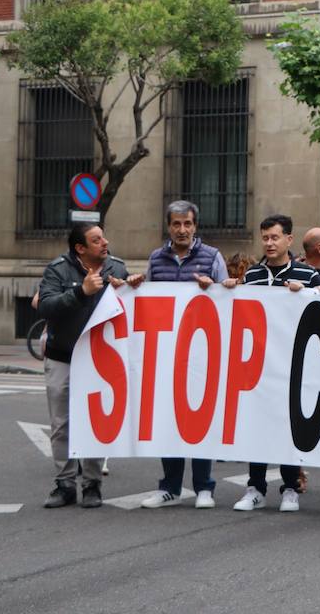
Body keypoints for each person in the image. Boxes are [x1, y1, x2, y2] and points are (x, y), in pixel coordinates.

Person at [224, 215, 320, 512]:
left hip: (293, 363)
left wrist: (304, 294)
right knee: (258, 424)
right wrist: (228, 290)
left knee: (289, 426)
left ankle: (290, 487)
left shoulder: (307, 274)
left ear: (289, 240)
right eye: (265, 237)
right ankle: (255, 487)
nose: (269, 243)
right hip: (259, 364)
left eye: (275, 237)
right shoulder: (252, 275)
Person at [38, 223, 135, 508]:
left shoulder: (116, 268)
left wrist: (131, 286)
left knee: (95, 422)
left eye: (104, 236)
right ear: (80, 248)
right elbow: (45, 306)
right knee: (61, 424)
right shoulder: (58, 269)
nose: (105, 242)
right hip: (62, 357)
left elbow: (129, 306)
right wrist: (81, 291)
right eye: (97, 240)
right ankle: (65, 483)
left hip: (98, 360)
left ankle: (92, 484)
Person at [139, 200, 227, 511]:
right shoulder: (155, 259)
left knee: (199, 418)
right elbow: (148, 304)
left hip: (201, 354)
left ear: (195, 226)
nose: (182, 230)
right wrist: (136, 287)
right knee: (168, 420)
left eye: (187, 224)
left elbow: (229, 300)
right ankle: (170, 487)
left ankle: (204, 486)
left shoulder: (212, 257)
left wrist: (214, 287)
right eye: (176, 224)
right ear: (168, 226)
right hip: (166, 355)